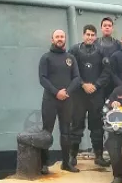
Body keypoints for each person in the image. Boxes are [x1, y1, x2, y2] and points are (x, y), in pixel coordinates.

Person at [39, 29, 82, 173]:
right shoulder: (46, 58)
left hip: (67, 100)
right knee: (47, 132)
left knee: (66, 132)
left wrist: (67, 92)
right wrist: (56, 92)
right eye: (57, 36)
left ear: (65, 39)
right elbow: (43, 79)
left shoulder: (70, 58)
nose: (59, 39)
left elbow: (76, 78)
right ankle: (44, 164)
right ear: (52, 39)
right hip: (50, 100)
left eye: (62, 36)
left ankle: (66, 162)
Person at [69, 24, 111, 168]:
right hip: (79, 95)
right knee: (76, 126)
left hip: (96, 94)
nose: (90, 37)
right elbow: (70, 71)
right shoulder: (74, 50)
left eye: (93, 35)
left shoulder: (101, 51)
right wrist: (82, 84)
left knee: (97, 127)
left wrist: (96, 85)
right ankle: (72, 157)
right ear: (83, 35)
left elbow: (106, 72)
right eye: (87, 34)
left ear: (95, 36)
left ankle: (98, 157)